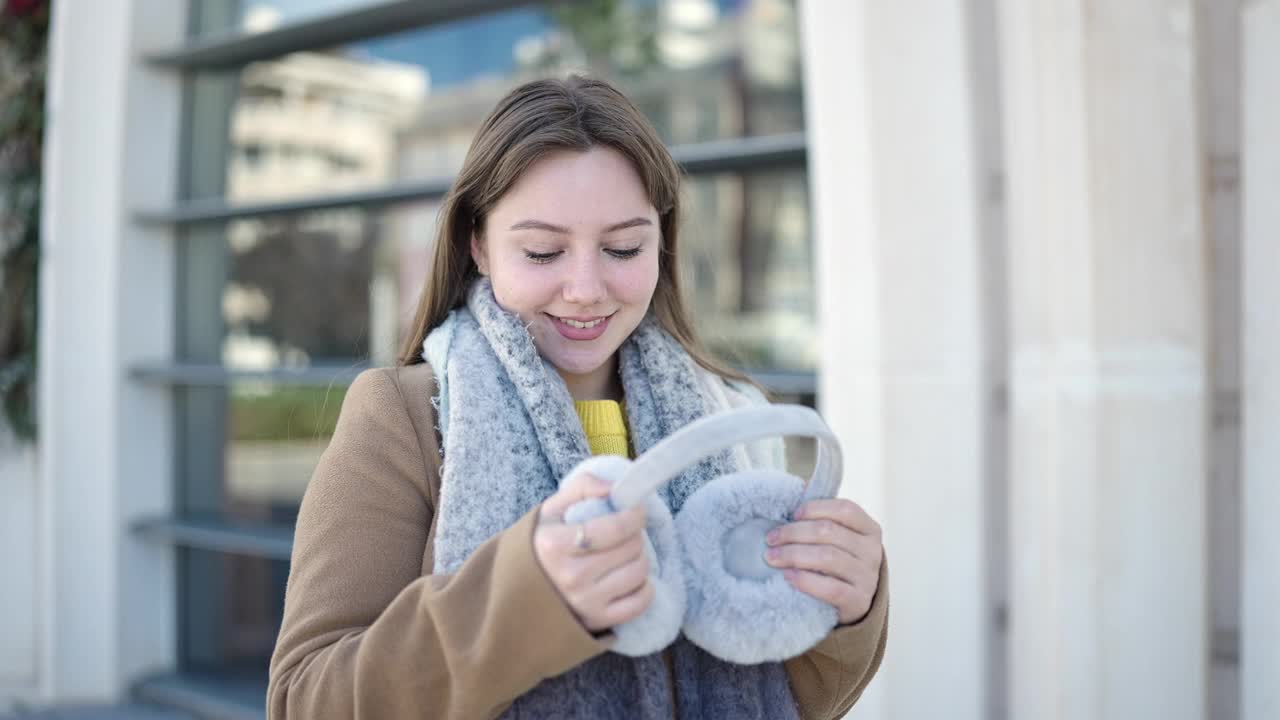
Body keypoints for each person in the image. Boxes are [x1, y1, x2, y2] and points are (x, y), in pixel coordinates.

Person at [266, 74, 888, 720]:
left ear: (662, 242)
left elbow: (792, 697)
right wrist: (524, 598)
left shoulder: (732, 415)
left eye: (622, 247)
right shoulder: (401, 418)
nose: (586, 288)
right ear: (478, 245)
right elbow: (306, 702)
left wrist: (851, 608)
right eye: (542, 251)